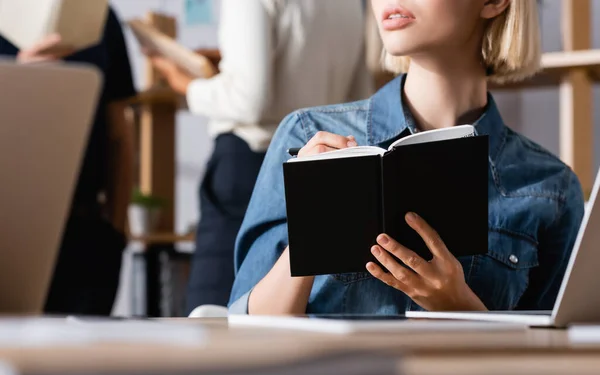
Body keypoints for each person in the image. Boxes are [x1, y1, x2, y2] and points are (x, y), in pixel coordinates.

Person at [229, 0, 586, 315]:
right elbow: (244, 330)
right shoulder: (306, 135)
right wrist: (313, 227)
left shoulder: (550, 187)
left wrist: (460, 307)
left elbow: (547, 365)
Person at [149, 0, 372, 311]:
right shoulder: (352, 4)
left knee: (214, 318)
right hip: (324, 169)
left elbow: (249, 101)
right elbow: (360, 103)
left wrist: (187, 86)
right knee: (300, 317)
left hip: (248, 164)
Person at [0, 6, 137, 315]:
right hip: (9, 233)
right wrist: (21, 77)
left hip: (85, 234)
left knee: (87, 359)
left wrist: (116, 227)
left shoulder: (99, 18)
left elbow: (119, 132)